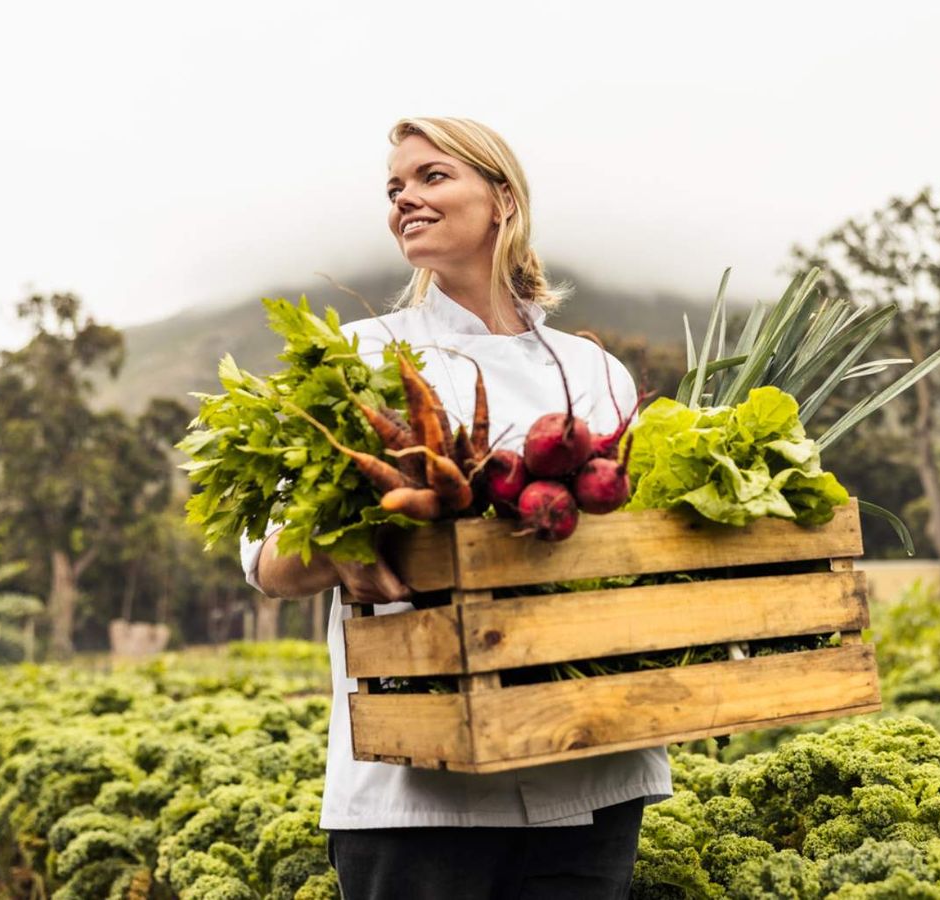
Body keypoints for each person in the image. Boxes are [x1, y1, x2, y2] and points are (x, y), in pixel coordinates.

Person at [240, 117, 671, 899]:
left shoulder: (592, 368)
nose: (406, 196)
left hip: (595, 765)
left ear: (502, 199)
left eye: (432, 177)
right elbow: (269, 561)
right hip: (418, 790)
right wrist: (340, 553)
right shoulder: (360, 355)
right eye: (394, 187)